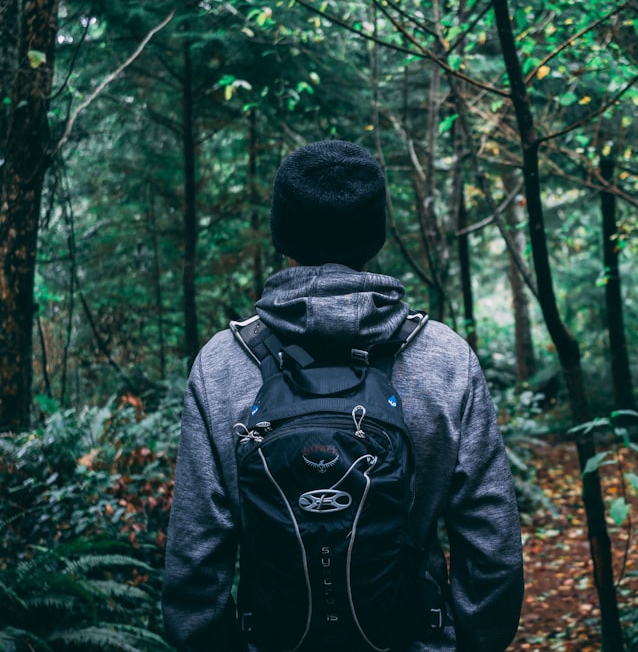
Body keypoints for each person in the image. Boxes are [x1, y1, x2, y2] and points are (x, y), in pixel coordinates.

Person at [162, 140, 524, 651]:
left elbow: (195, 558)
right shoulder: (444, 357)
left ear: (282, 234)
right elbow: (492, 546)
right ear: (374, 235)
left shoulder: (224, 363)